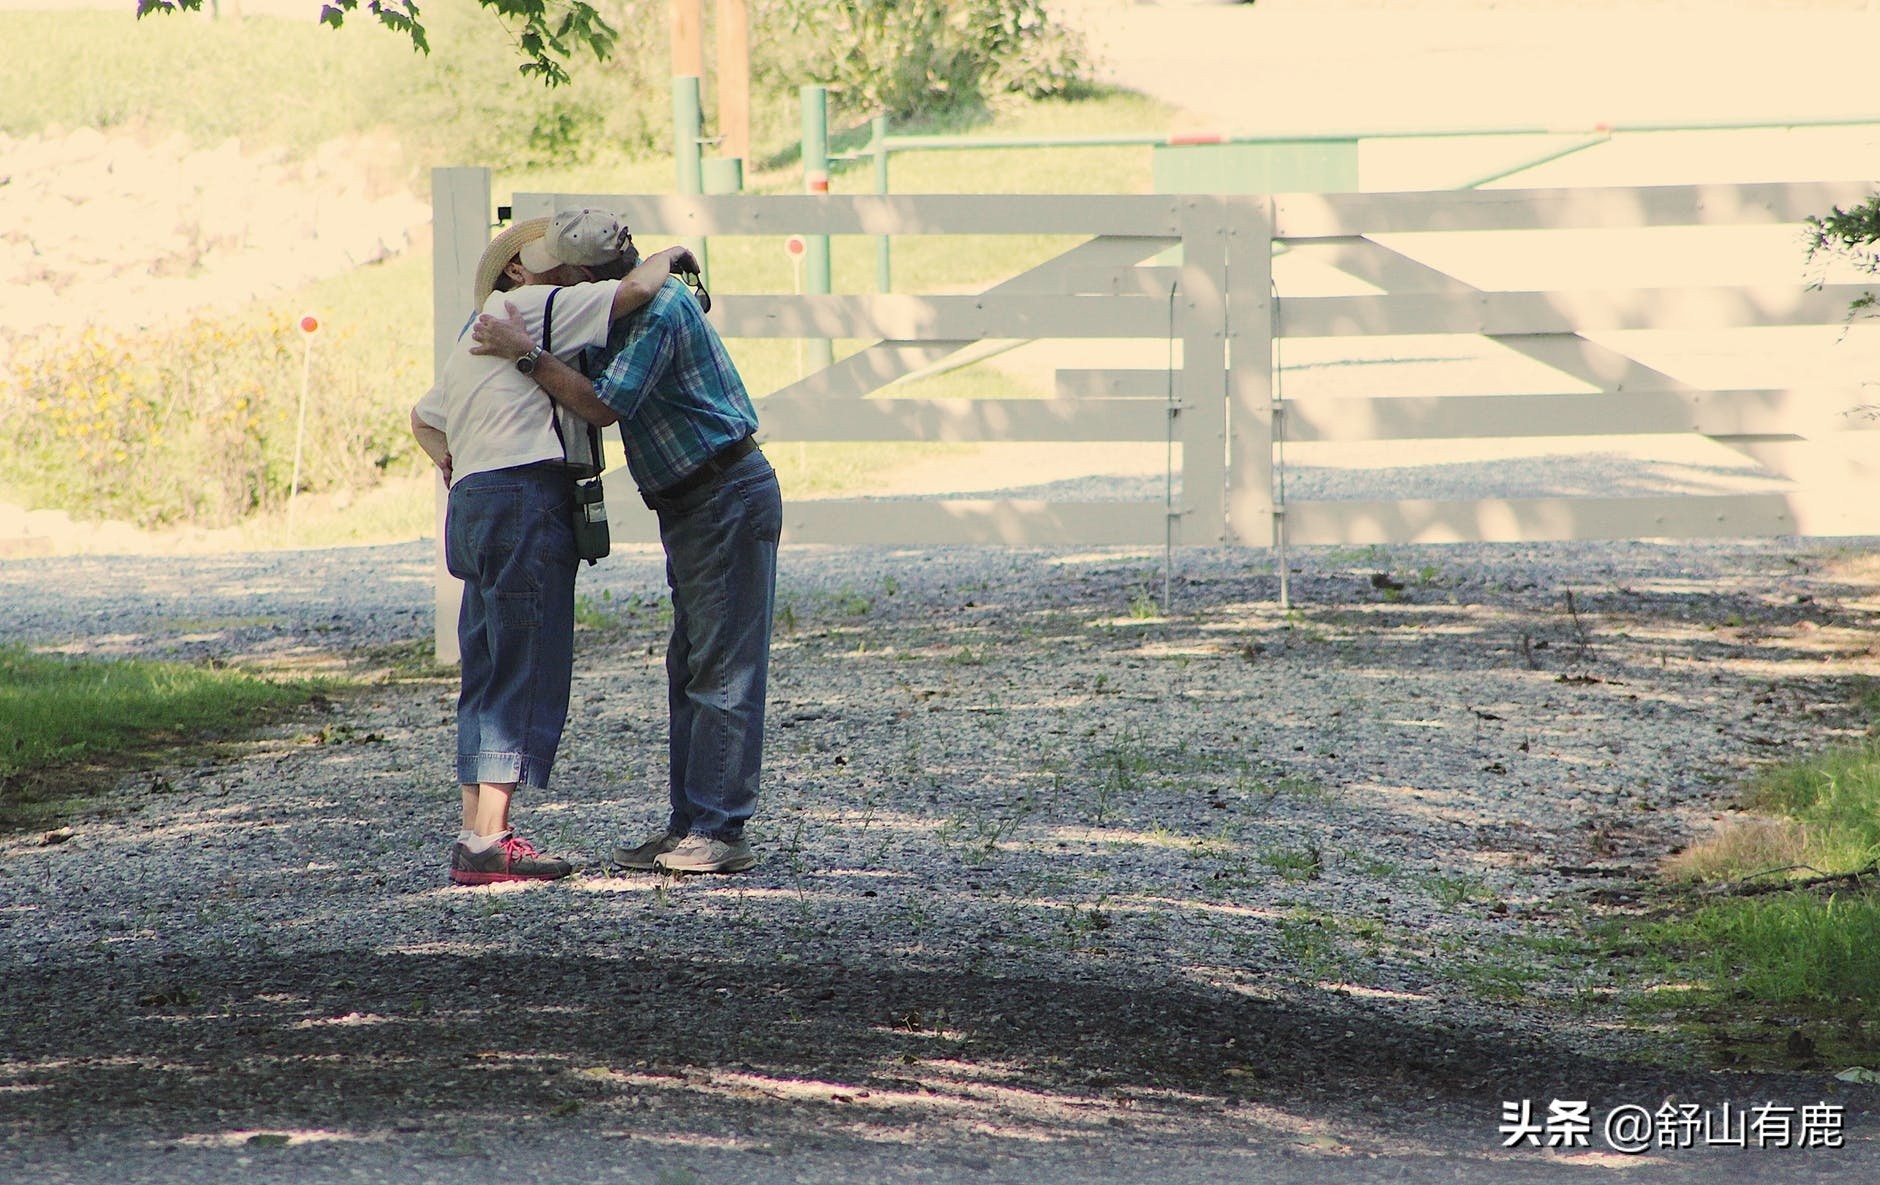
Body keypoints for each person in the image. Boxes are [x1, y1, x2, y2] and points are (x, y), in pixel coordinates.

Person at [410, 208, 697, 885]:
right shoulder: (539, 308)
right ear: (521, 269)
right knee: (526, 658)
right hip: (523, 493)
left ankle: (473, 832)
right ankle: (495, 839)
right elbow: (634, 292)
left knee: (483, 667)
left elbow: (423, 418)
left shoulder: (472, 336)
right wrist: (675, 251)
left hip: (473, 501)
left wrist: (449, 456)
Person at [470, 253, 780, 876]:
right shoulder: (619, 315)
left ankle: (721, 830)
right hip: (696, 501)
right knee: (691, 665)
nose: (554, 288)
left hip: (720, 493)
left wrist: (524, 352)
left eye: (562, 277)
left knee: (719, 667)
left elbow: (603, 405)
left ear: (589, 277)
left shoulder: (657, 311)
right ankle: (690, 824)